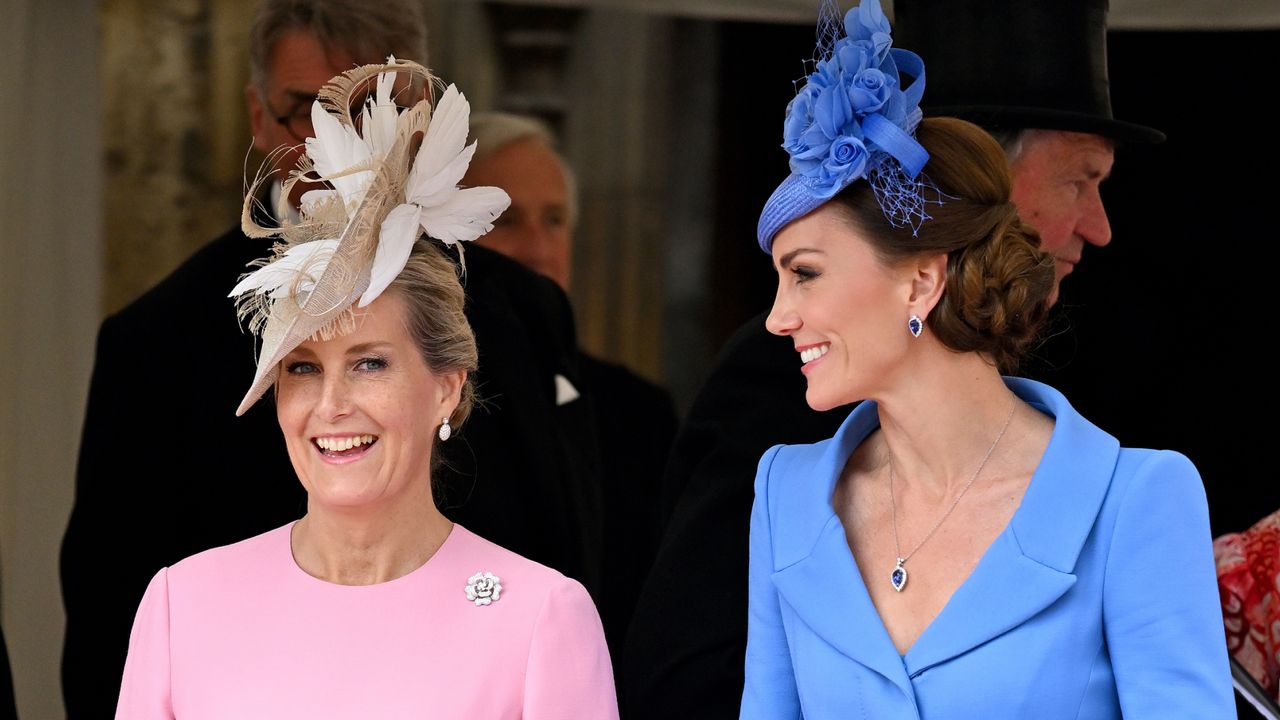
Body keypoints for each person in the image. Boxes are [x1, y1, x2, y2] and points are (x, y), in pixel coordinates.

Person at [621, 1, 1166, 716]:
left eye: (806, 273)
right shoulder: (784, 395)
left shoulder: (1117, 473)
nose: (1098, 226)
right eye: (1078, 179)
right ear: (977, 180)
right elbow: (689, 671)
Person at [63, 2, 603, 716]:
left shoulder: (520, 309)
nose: (331, 144)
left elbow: (566, 529)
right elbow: (107, 626)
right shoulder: (157, 337)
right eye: (302, 112)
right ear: (257, 115)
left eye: (365, 108)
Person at [738, 3, 1231, 717]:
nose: (780, 319)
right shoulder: (787, 494)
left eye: (805, 272)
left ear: (921, 279)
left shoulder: (1135, 500)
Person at [462, 112, 678, 657]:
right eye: (505, 220)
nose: (537, 246)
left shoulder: (639, 412)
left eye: (554, 220)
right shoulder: (419, 406)